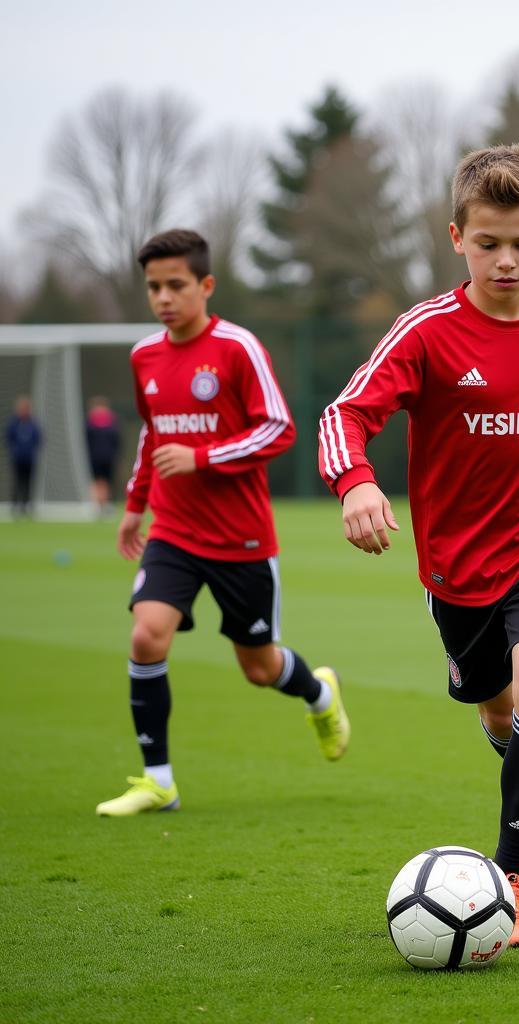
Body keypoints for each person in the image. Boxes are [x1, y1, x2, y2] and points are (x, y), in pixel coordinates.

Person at [318, 144, 519, 945]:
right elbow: (344, 415)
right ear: (456, 235)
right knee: (501, 717)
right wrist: (356, 482)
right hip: (458, 566)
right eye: (488, 242)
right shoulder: (425, 332)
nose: (506, 260)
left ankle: (510, 880)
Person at [97, 228, 350, 817]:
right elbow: (152, 435)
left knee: (259, 668)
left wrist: (203, 456)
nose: (163, 297)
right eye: (154, 287)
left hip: (242, 539)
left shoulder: (238, 348)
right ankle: (158, 780)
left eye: (175, 285)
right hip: (174, 532)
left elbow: (278, 428)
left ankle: (319, 693)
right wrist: (136, 505)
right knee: (145, 633)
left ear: (205, 285)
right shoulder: (144, 356)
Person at [5, 395, 42, 517]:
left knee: (29, 483)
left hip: (30, 458)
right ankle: (15, 506)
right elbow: (8, 438)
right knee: (17, 482)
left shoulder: (33, 423)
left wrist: (32, 451)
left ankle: (26, 507)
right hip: (17, 459)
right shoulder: (14, 423)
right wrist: (14, 451)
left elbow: (39, 438)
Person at [85, 396, 121, 515]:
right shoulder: (91, 422)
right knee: (98, 481)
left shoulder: (111, 421)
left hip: (106, 457)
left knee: (104, 482)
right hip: (97, 457)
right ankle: (98, 505)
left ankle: (102, 505)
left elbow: (117, 440)